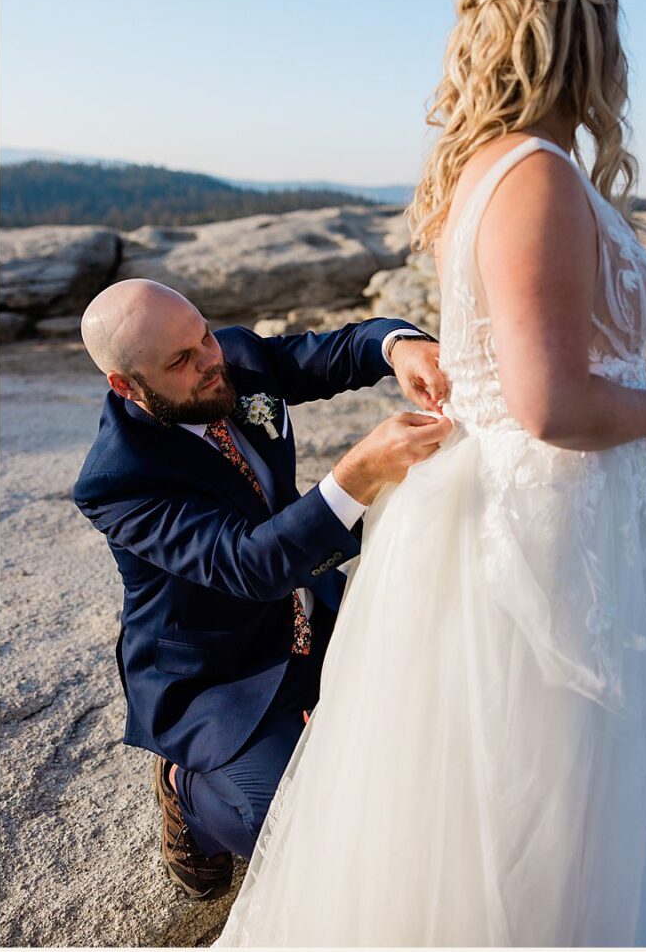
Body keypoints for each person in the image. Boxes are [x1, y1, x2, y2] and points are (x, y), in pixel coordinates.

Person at [217, 0, 646, 946]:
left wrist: (632, 369)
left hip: (527, 492)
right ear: (583, 39)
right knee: (552, 761)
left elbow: (538, 354)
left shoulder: (487, 165)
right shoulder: (534, 173)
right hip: (550, 511)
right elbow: (549, 406)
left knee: (523, 767)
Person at [72, 280, 449, 897]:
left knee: (429, 744)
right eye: (180, 361)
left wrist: (400, 347)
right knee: (297, 833)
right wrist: (358, 474)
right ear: (126, 386)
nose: (208, 362)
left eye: (204, 336)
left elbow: (343, 349)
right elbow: (248, 566)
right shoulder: (118, 480)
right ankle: (184, 790)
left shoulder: (228, 356)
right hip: (222, 674)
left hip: (309, 611)